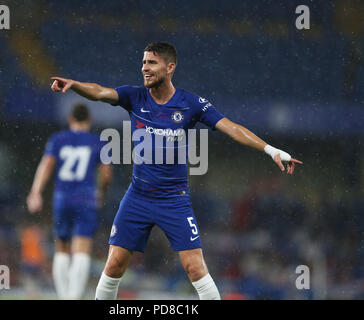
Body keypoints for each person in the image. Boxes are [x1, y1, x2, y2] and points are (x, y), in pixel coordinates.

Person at [49, 42, 302, 300]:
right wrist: (75, 85)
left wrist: (271, 150)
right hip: (137, 197)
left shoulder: (190, 103)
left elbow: (232, 128)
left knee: (195, 268)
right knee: (114, 265)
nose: (144, 68)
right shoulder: (134, 96)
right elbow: (101, 92)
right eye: (144, 62)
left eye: (152, 63)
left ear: (170, 67)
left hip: (174, 200)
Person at [26, 103, 112, 299]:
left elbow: (46, 166)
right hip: (86, 199)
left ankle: (64, 296)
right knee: (82, 248)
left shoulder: (58, 139)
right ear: (89, 120)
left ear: (70, 119)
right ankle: (74, 296)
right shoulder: (98, 142)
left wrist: (35, 192)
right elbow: (106, 175)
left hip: (62, 199)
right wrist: (101, 192)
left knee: (62, 247)